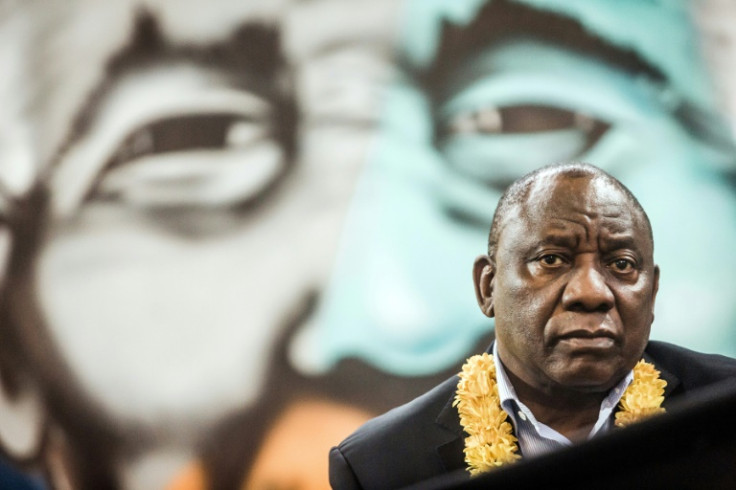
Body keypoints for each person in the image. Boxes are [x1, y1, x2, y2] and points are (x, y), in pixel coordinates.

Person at [329, 162, 736, 490]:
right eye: (552, 259)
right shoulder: (380, 466)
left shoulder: (725, 407)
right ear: (488, 287)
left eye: (622, 264)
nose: (592, 293)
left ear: (652, 293)